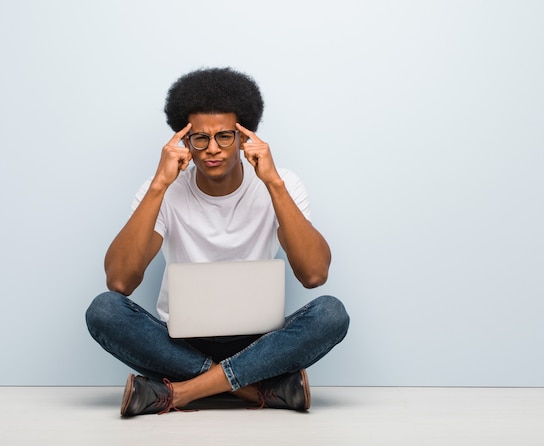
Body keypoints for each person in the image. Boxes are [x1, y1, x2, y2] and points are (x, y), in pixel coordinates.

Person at [85, 67, 350, 417]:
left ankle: (180, 393)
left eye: (225, 137)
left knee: (330, 313)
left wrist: (272, 184)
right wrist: (158, 186)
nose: (213, 149)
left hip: (258, 342)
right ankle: (253, 389)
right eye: (200, 138)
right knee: (104, 311)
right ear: (184, 141)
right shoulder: (163, 188)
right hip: (180, 341)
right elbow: (120, 281)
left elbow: (314, 274)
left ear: (245, 138)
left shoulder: (280, 183)